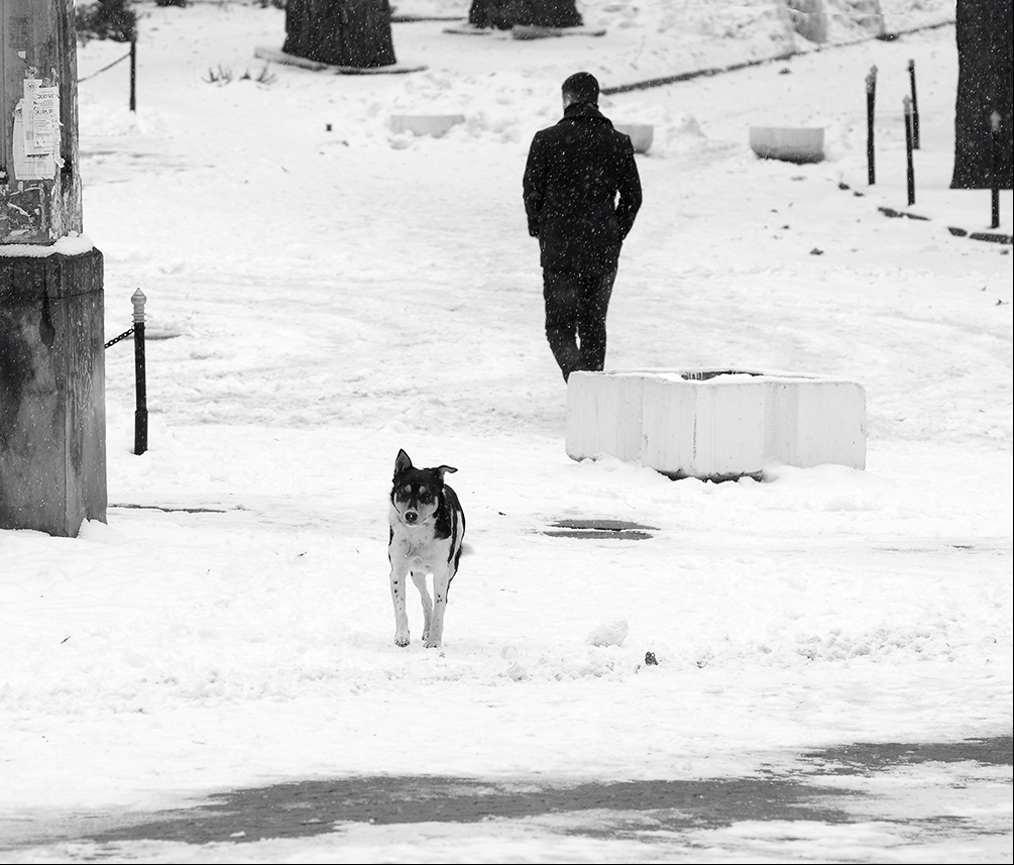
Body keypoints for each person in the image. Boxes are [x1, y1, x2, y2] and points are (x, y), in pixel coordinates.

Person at [523, 71, 642, 382]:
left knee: (559, 326)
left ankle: (578, 382)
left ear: (566, 99)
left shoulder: (546, 140)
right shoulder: (617, 142)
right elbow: (633, 196)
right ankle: (593, 393)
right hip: (601, 247)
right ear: (595, 99)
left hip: (560, 248)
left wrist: (541, 229)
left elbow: (532, 191)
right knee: (593, 323)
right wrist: (615, 232)